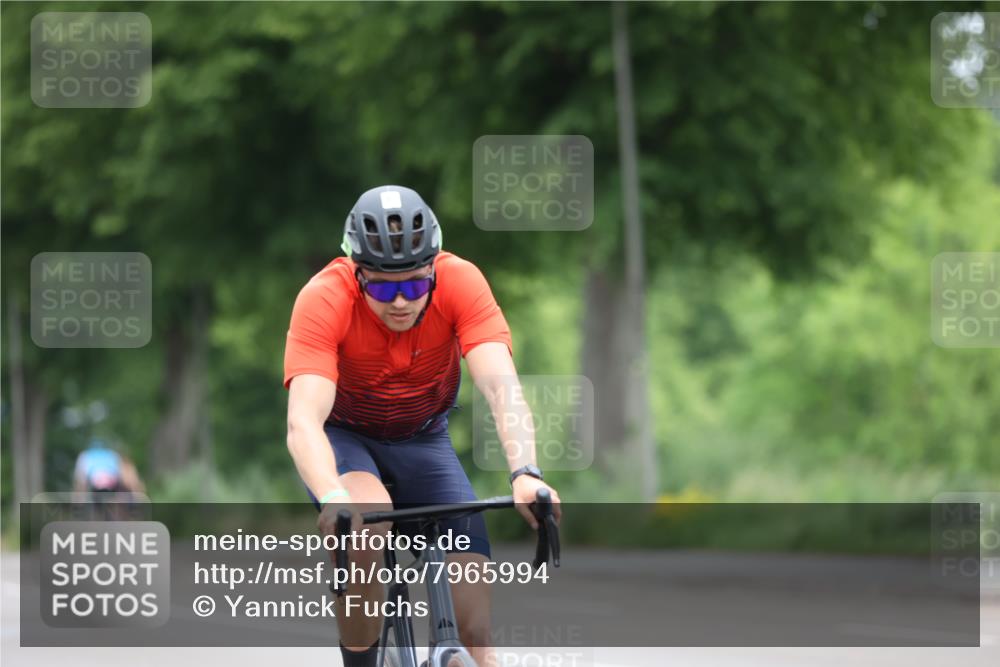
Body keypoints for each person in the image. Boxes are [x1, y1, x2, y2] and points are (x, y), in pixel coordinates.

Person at [284, 185, 561, 667]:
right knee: (367, 526)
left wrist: (525, 473)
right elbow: (304, 421)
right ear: (356, 274)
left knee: (474, 632)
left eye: (413, 286)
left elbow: (501, 389)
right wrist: (332, 498)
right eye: (382, 288)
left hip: (423, 438)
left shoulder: (461, 281)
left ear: (434, 270)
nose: (399, 302)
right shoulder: (324, 297)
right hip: (346, 438)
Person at [73, 438, 146, 495]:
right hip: (112, 482)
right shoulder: (112, 454)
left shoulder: (85, 455)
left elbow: (81, 479)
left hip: (96, 482)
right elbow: (122, 475)